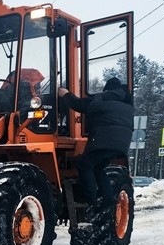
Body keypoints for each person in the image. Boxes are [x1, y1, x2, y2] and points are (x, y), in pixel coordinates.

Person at [57, 77, 133, 208]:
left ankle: (91, 201)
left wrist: (66, 95)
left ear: (108, 89)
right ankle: (108, 199)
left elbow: (79, 105)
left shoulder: (104, 98)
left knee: (84, 165)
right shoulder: (127, 104)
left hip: (104, 141)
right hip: (121, 145)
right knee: (98, 168)